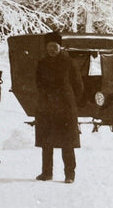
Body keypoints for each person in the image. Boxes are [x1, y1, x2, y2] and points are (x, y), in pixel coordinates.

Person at [35, 31, 84, 184]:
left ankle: (69, 174)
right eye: (49, 46)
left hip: (65, 108)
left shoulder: (69, 62)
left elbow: (78, 86)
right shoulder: (42, 63)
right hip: (47, 107)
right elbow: (38, 83)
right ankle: (46, 173)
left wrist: (71, 102)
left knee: (67, 143)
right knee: (46, 142)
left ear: (60, 47)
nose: (52, 49)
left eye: (54, 46)